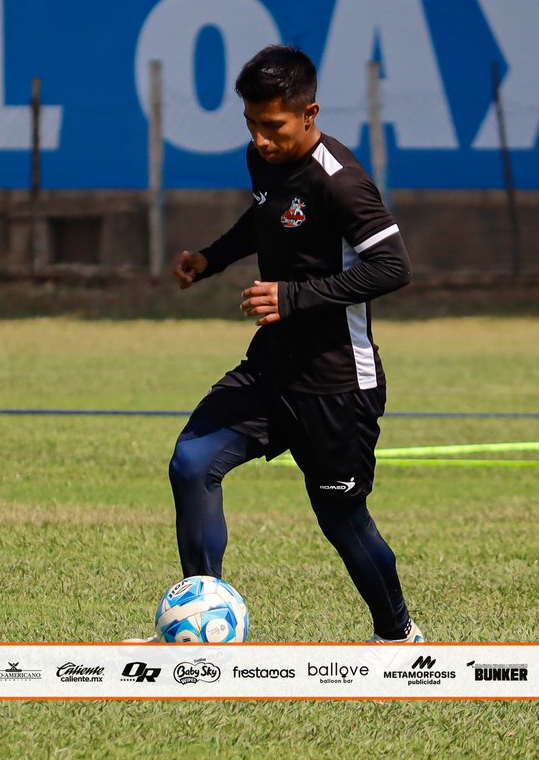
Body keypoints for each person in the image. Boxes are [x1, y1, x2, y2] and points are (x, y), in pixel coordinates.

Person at [159, 45, 421, 642]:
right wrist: (211, 259)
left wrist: (293, 297)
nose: (261, 139)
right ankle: (202, 626)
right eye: (251, 124)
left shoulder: (344, 183)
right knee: (192, 463)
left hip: (336, 386)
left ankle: (399, 638)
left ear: (309, 113)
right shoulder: (263, 160)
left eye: (273, 126)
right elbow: (265, 219)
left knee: (341, 518)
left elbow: (393, 267)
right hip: (270, 371)